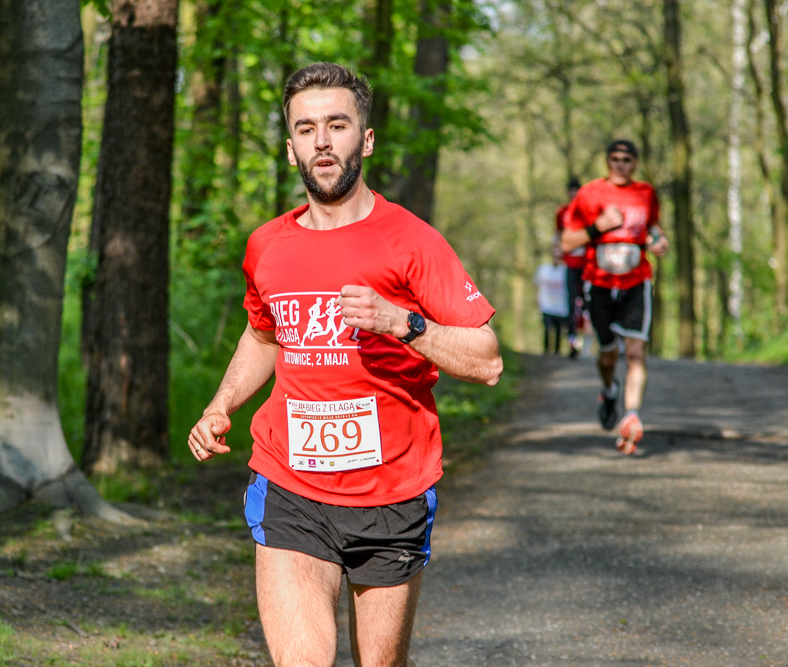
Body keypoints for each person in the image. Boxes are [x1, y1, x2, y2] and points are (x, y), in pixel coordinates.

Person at [187, 62, 503, 666]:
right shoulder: (267, 245)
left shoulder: (412, 241)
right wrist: (221, 404)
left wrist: (401, 323)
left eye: (337, 125)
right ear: (291, 148)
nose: (322, 141)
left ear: (366, 139)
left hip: (392, 491)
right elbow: (263, 336)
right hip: (291, 484)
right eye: (306, 129)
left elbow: (487, 360)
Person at [561, 139, 669, 455]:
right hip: (599, 283)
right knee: (608, 356)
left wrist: (659, 242)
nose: (621, 165)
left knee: (635, 351)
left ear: (635, 163)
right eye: (615, 159)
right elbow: (567, 242)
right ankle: (610, 390)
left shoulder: (645, 193)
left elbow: (654, 229)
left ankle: (632, 415)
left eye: (627, 160)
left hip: (636, 282)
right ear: (607, 161)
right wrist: (598, 227)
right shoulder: (589, 194)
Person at [554, 177, 584, 358]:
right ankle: (573, 340)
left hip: (588, 265)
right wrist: (557, 253)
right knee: (571, 302)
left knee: (589, 302)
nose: (573, 194)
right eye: (571, 191)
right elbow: (557, 235)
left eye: (576, 191)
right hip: (570, 264)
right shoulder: (562, 212)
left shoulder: (588, 211)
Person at [533, 240, 570, 355]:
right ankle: (546, 350)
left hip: (561, 306)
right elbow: (536, 284)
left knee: (559, 330)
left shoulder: (566, 271)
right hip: (546, 305)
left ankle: (557, 351)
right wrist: (536, 300)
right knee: (547, 328)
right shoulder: (543, 269)